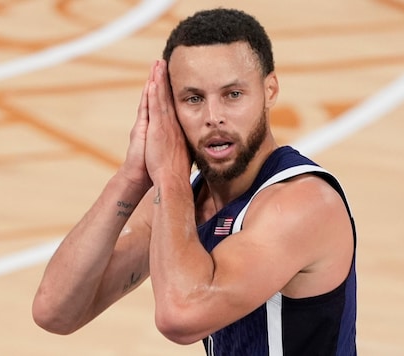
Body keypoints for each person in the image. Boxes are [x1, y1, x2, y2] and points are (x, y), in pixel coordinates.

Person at [32, 8, 357, 356]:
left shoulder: (302, 204)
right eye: (194, 99)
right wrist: (132, 176)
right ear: (169, 110)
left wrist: (169, 175)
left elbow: (180, 316)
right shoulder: (183, 199)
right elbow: (55, 311)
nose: (213, 118)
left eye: (232, 94)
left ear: (270, 91)